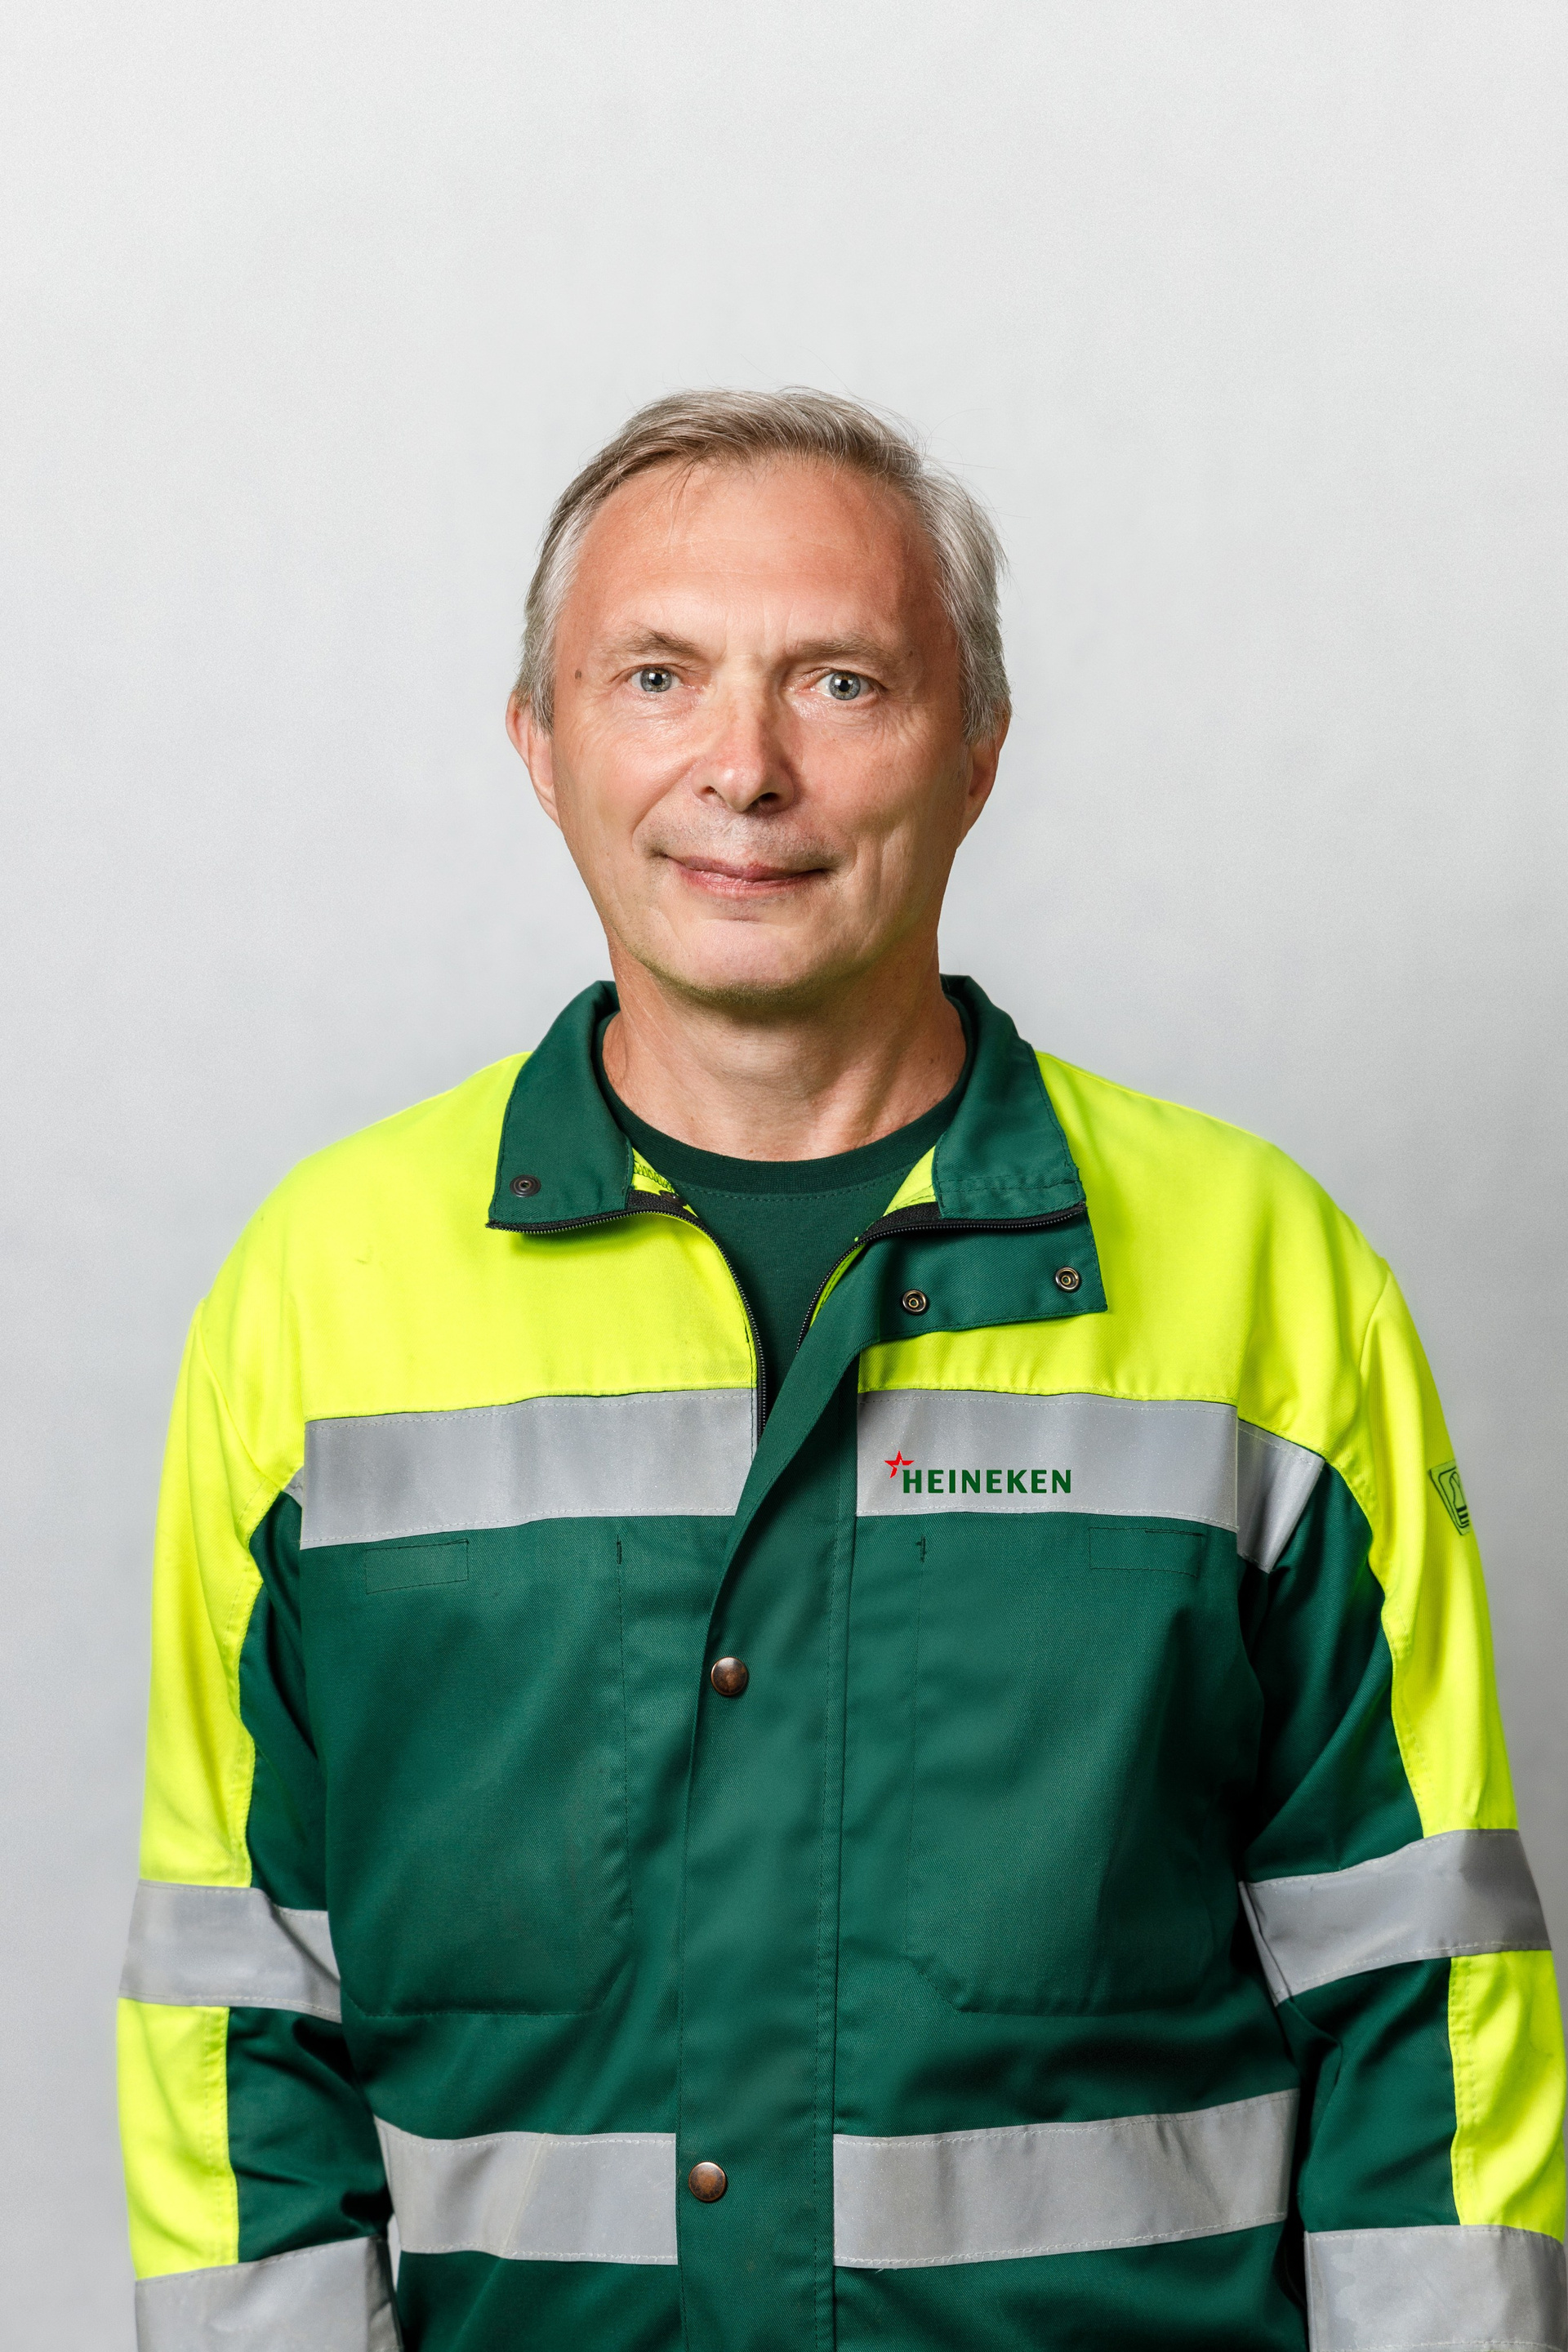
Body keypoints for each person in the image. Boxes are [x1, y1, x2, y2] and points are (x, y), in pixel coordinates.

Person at [118, 389, 1566, 2352]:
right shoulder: (320, 1297)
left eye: (842, 682)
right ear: (541, 746)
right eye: (657, 677)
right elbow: (239, 2015)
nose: (745, 767)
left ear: (978, 752)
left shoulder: (1263, 1279)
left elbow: (1425, 1996)